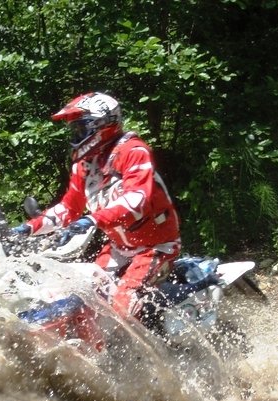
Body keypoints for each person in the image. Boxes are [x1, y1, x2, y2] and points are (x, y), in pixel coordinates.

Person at [12, 92, 181, 322]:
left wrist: (92, 219)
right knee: (85, 291)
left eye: (80, 129)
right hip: (119, 247)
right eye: (75, 131)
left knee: (124, 303)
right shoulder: (85, 164)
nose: (76, 136)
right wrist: (27, 229)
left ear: (102, 125)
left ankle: (148, 350)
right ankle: (93, 350)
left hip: (156, 245)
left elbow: (136, 201)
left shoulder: (133, 151)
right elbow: (68, 208)